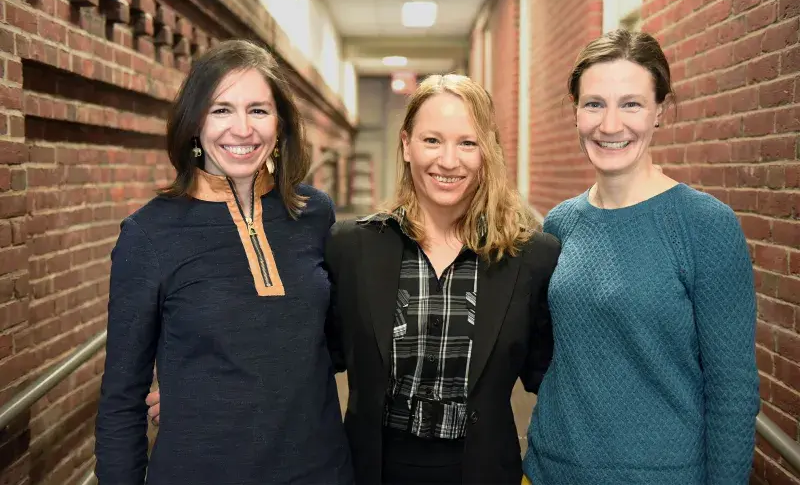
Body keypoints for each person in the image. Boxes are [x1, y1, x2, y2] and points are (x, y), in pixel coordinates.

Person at [94, 39, 352, 485]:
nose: (242, 129)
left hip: (319, 468)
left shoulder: (313, 213)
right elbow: (121, 398)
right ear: (194, 122)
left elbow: (328, 346)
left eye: (258, 110)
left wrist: (211, 389)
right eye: (221, 110)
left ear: (280, 123)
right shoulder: (149, 235)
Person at [522, 29, 760, 485]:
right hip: (550, 468)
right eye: (594, 104)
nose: (610, 125)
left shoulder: (705, 225)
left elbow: (732, 389)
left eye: (631, 104)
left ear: (659, 113)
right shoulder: (560, 224)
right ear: (575, 112)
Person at [325, 74, 560, 484]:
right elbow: (312, 362)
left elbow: (554, 380)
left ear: (487, 152)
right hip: (371, 471)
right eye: (432, 140)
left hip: (484, 471)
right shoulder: (349, 249)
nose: (448, 161)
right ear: (406, 145)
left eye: (467, 143)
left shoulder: (532, 258)